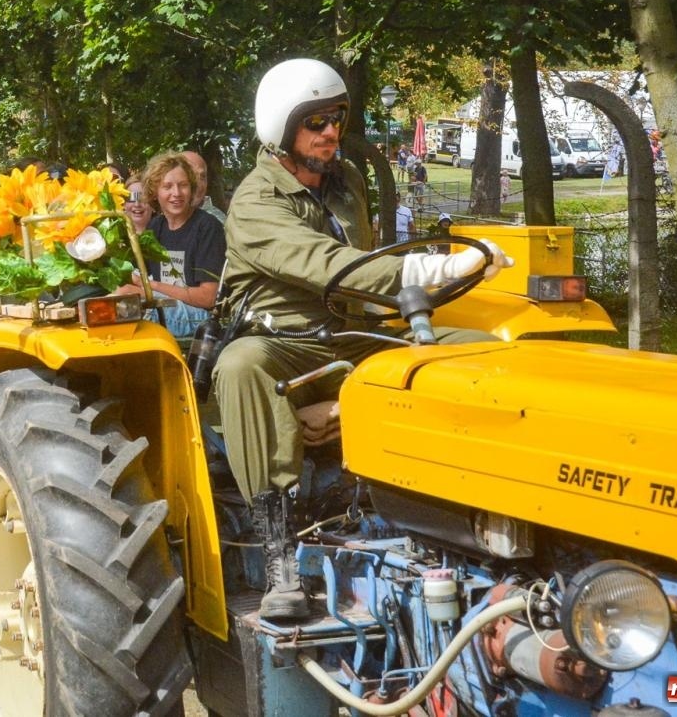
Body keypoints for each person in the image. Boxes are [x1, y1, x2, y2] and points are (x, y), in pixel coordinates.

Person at [214, 58, 511, 621]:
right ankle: (279, 551)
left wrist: (434, 289)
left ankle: (479, 513)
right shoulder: (255, 202)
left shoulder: (346, 181)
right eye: (316, 121)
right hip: (284, 345)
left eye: (337, 119)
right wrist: (431, 268)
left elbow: (366, 271)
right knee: (240, 364)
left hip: (352, 336)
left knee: (479, 350)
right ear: (281, 128)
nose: (331, 131)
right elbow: (332, 265)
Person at [135, 152, 225, 337]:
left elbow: (208, 298)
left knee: (138, 309)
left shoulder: (207, 227)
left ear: (191, 189)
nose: (176, 193)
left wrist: (152, 286)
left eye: (183, 185)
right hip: (165, 303)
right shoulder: (155, 227)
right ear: (154, 192)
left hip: (202, 316)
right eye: (167, 186)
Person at [182, 150, 227, 223]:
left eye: (202, 177)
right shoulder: (165, 217)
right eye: (191, 175)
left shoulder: (215, 221)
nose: (198, 182)